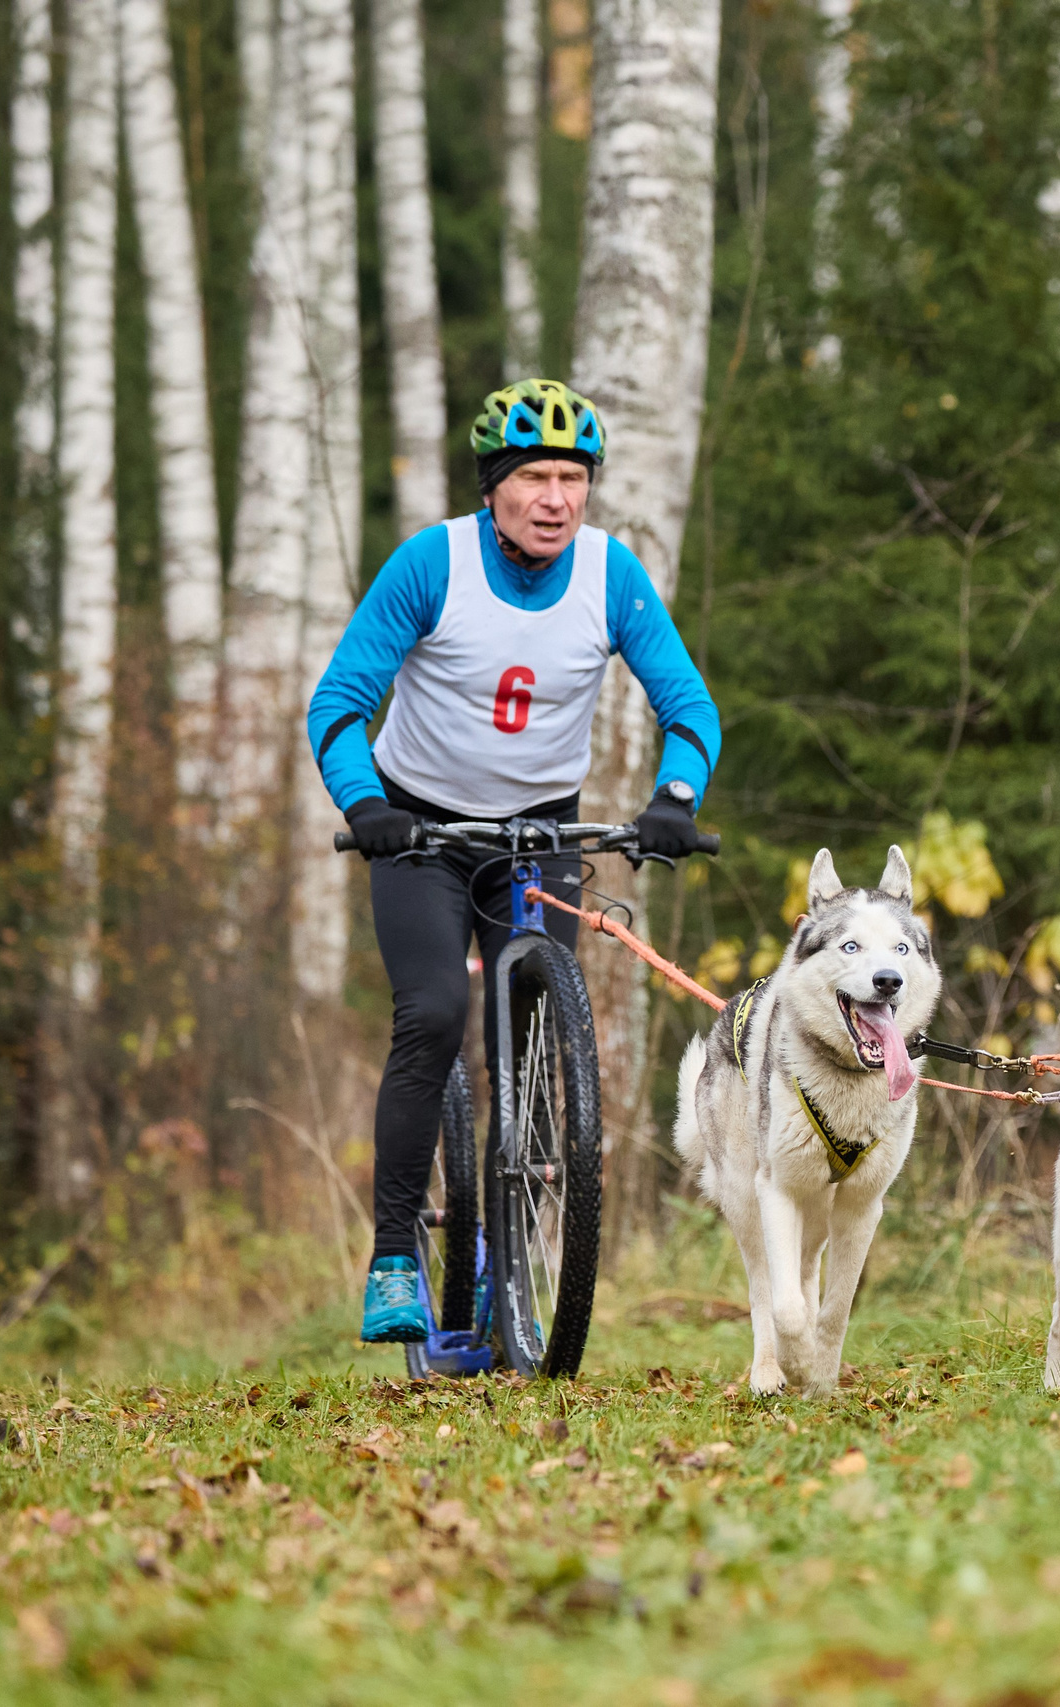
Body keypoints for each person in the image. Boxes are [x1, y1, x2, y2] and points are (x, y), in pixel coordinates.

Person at [307, 379, 721, 1344]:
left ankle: (501, 1260)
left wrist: (675, 797)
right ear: (493, 486)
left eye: (573, 478)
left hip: (538, 833)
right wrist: (366, 805)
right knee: (436, 1015)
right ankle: (397, 1258)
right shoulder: (431, 565)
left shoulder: (609, 576)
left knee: (532, 1031)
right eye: (534, 476)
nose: (555, 498)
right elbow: (336, 704)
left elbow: (688, 706)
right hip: (423, 832)